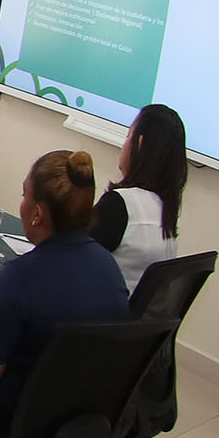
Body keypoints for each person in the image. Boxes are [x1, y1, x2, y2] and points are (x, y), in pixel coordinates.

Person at [0, 150, 130, 424]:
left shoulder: (21, 278)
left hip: (4, 433)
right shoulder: (109, 268)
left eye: (24, 195)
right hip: (75, 429)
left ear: (37, 213)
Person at [90, 104, 187, 295]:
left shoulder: (119, 204)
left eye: (128, 135)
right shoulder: (165, 211)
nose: (124, 144)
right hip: (125, 311)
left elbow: (73, 258)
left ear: (140, 144)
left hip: (101, 309)